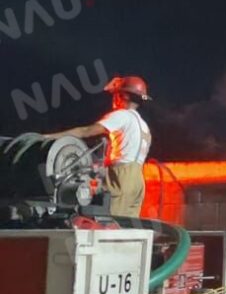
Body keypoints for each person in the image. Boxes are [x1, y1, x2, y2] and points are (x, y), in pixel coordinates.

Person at [43, 76, 152, 217]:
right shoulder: (143, 125)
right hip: (138, 182)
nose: (113, 100)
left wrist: (47, 138)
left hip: (121, 177)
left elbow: (85, 131)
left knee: (110, 223)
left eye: (115, 95)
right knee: (129, 227)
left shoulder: (121, 116)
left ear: (123, 95)